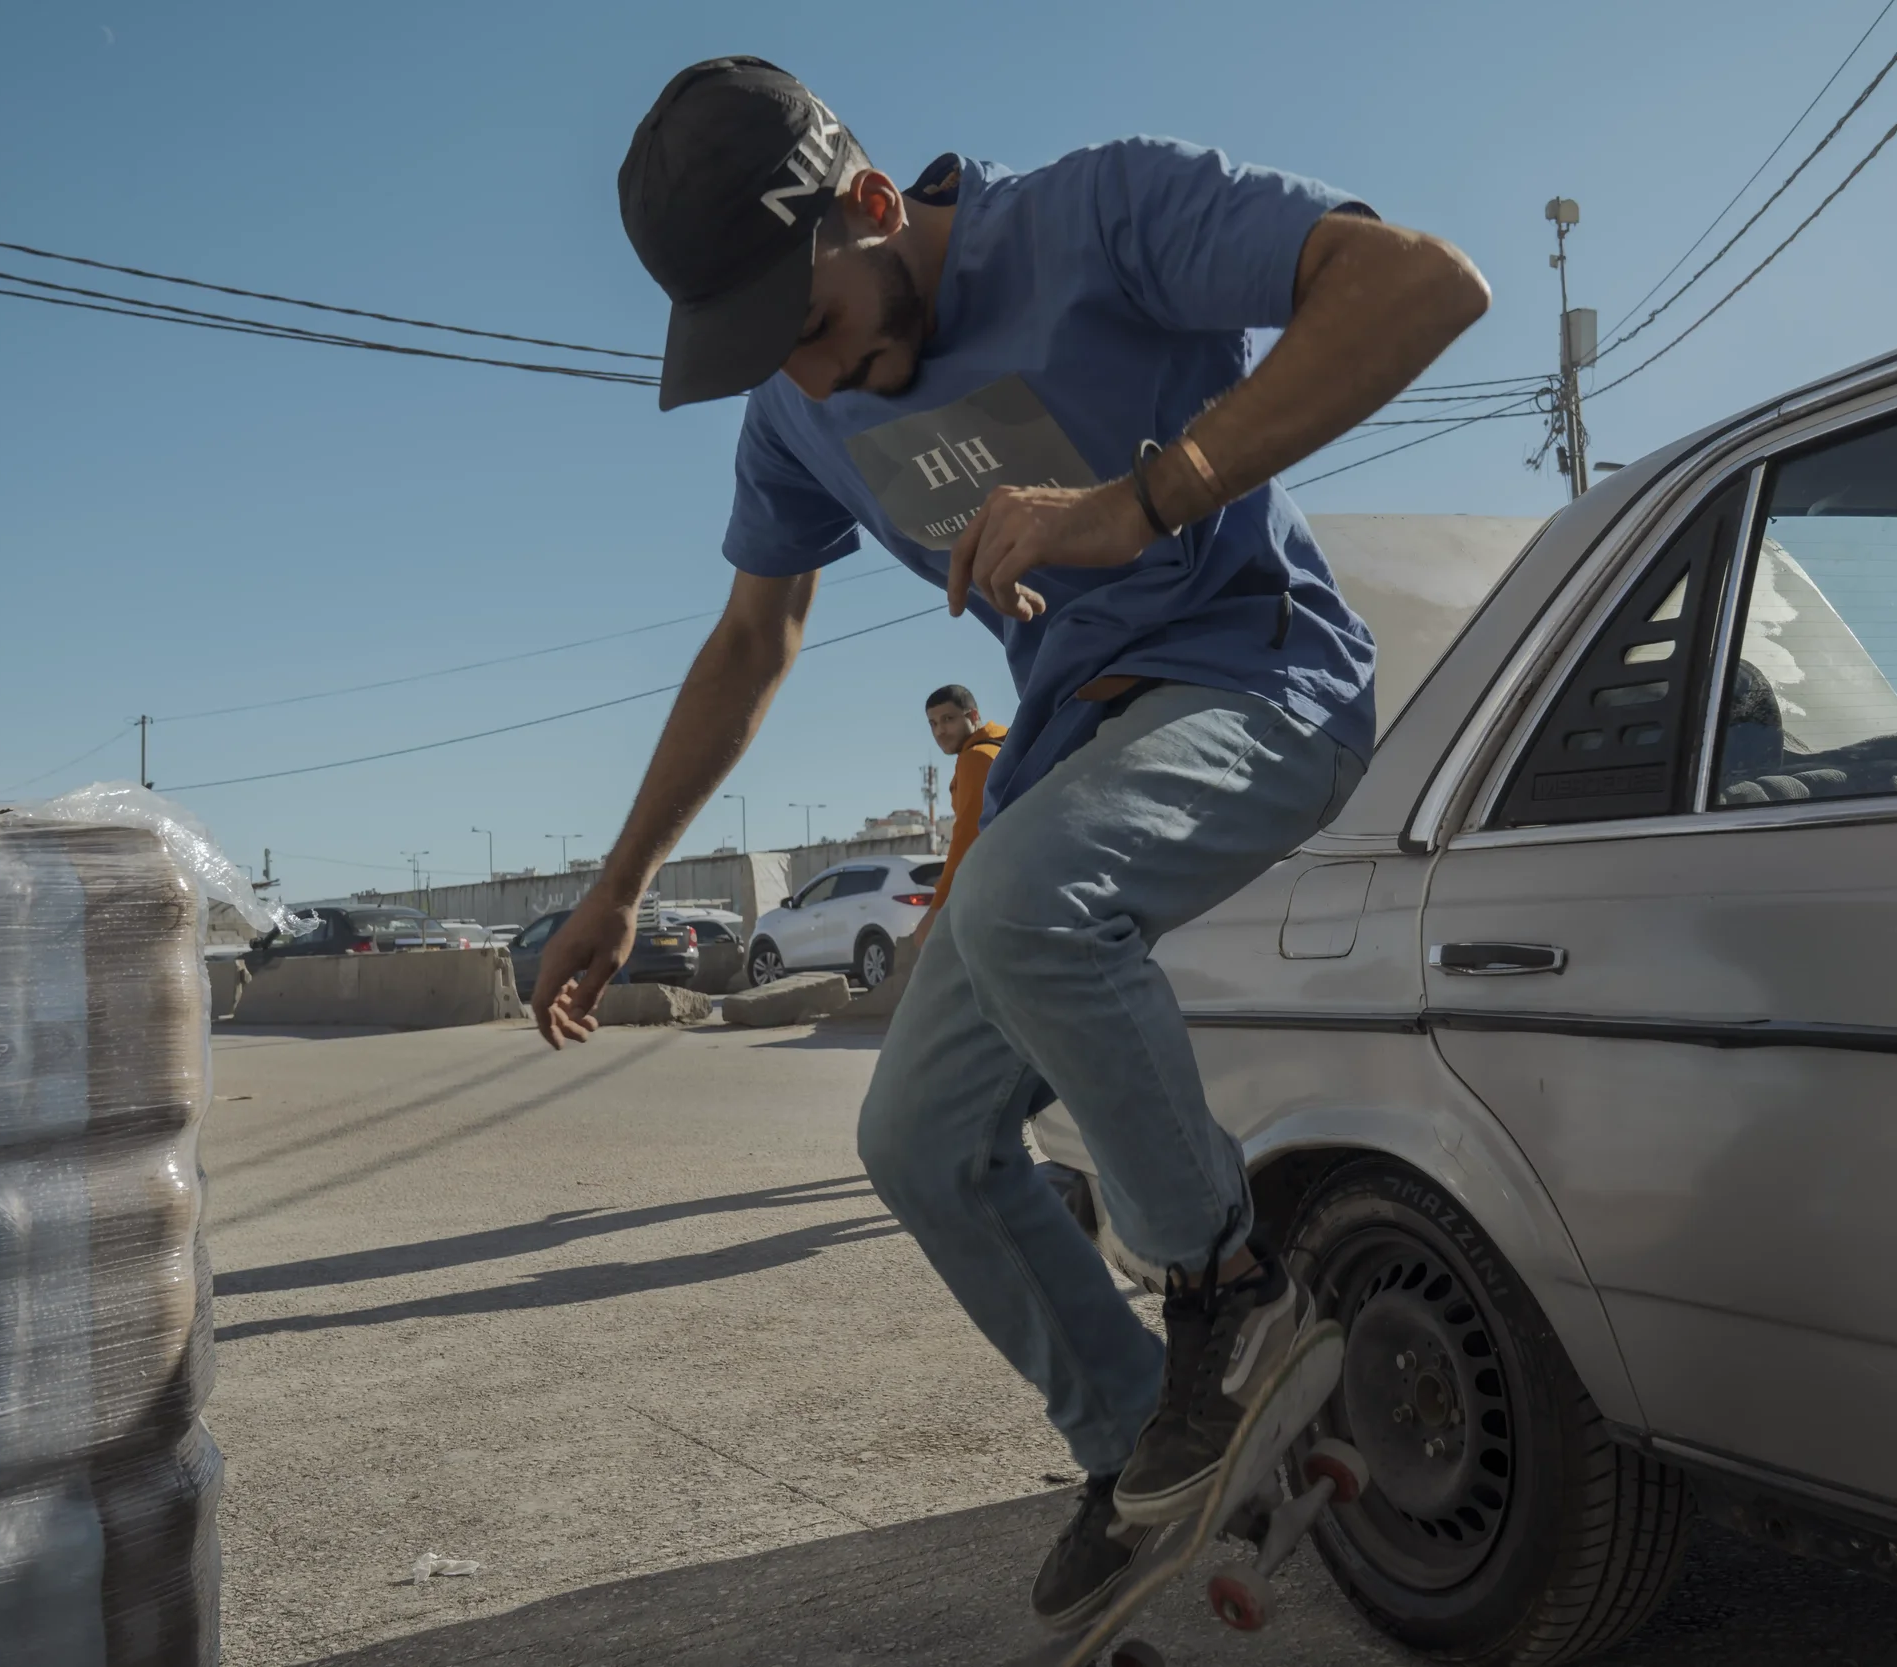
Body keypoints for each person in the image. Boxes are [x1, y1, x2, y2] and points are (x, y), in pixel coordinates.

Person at [531, 56, 1488, 1629]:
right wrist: (621, 881)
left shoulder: (1101, 215)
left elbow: (1421, 287)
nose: (821, 387)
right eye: (781, 362)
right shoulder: (794, 407)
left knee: (1036, 895)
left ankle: (1232, 1292)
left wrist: (1146, 495)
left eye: (818, 330)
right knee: (915, 1138)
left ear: (869, 203)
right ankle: (1141, 1442)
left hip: (1260, 677)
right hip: (1074, 748)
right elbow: (751, 637)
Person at [915, 683, 1005, 947]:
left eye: (948, 719)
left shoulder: (976, 758)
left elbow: (967, 835)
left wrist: (937, 908)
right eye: (932, 724)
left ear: (973, 716)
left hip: (997, 892)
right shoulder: (999, 748)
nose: (940, 731)